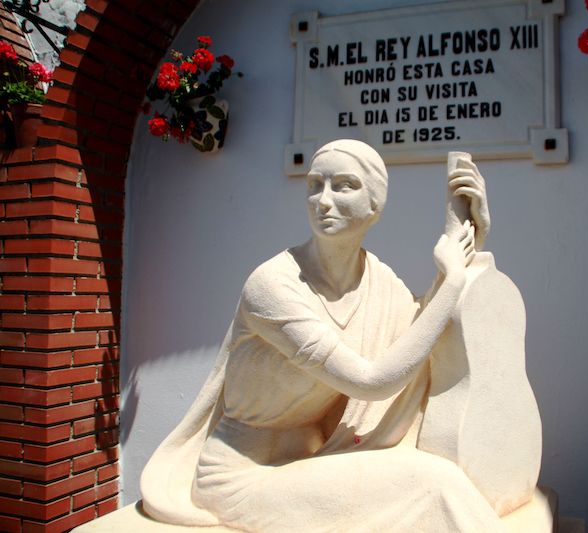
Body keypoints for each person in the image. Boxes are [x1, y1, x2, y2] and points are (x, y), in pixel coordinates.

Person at [140, 139, 504, 531]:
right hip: (244, 477)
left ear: (375, 204)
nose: (323, 200)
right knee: (436, 487)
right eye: (315, 185)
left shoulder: (376, 280)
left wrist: (467, 240)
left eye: (344, 185)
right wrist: (451, 282)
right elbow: (372, 381)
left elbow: (420, 334)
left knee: (439, 482)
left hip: (318, 460)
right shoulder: (274, 286)